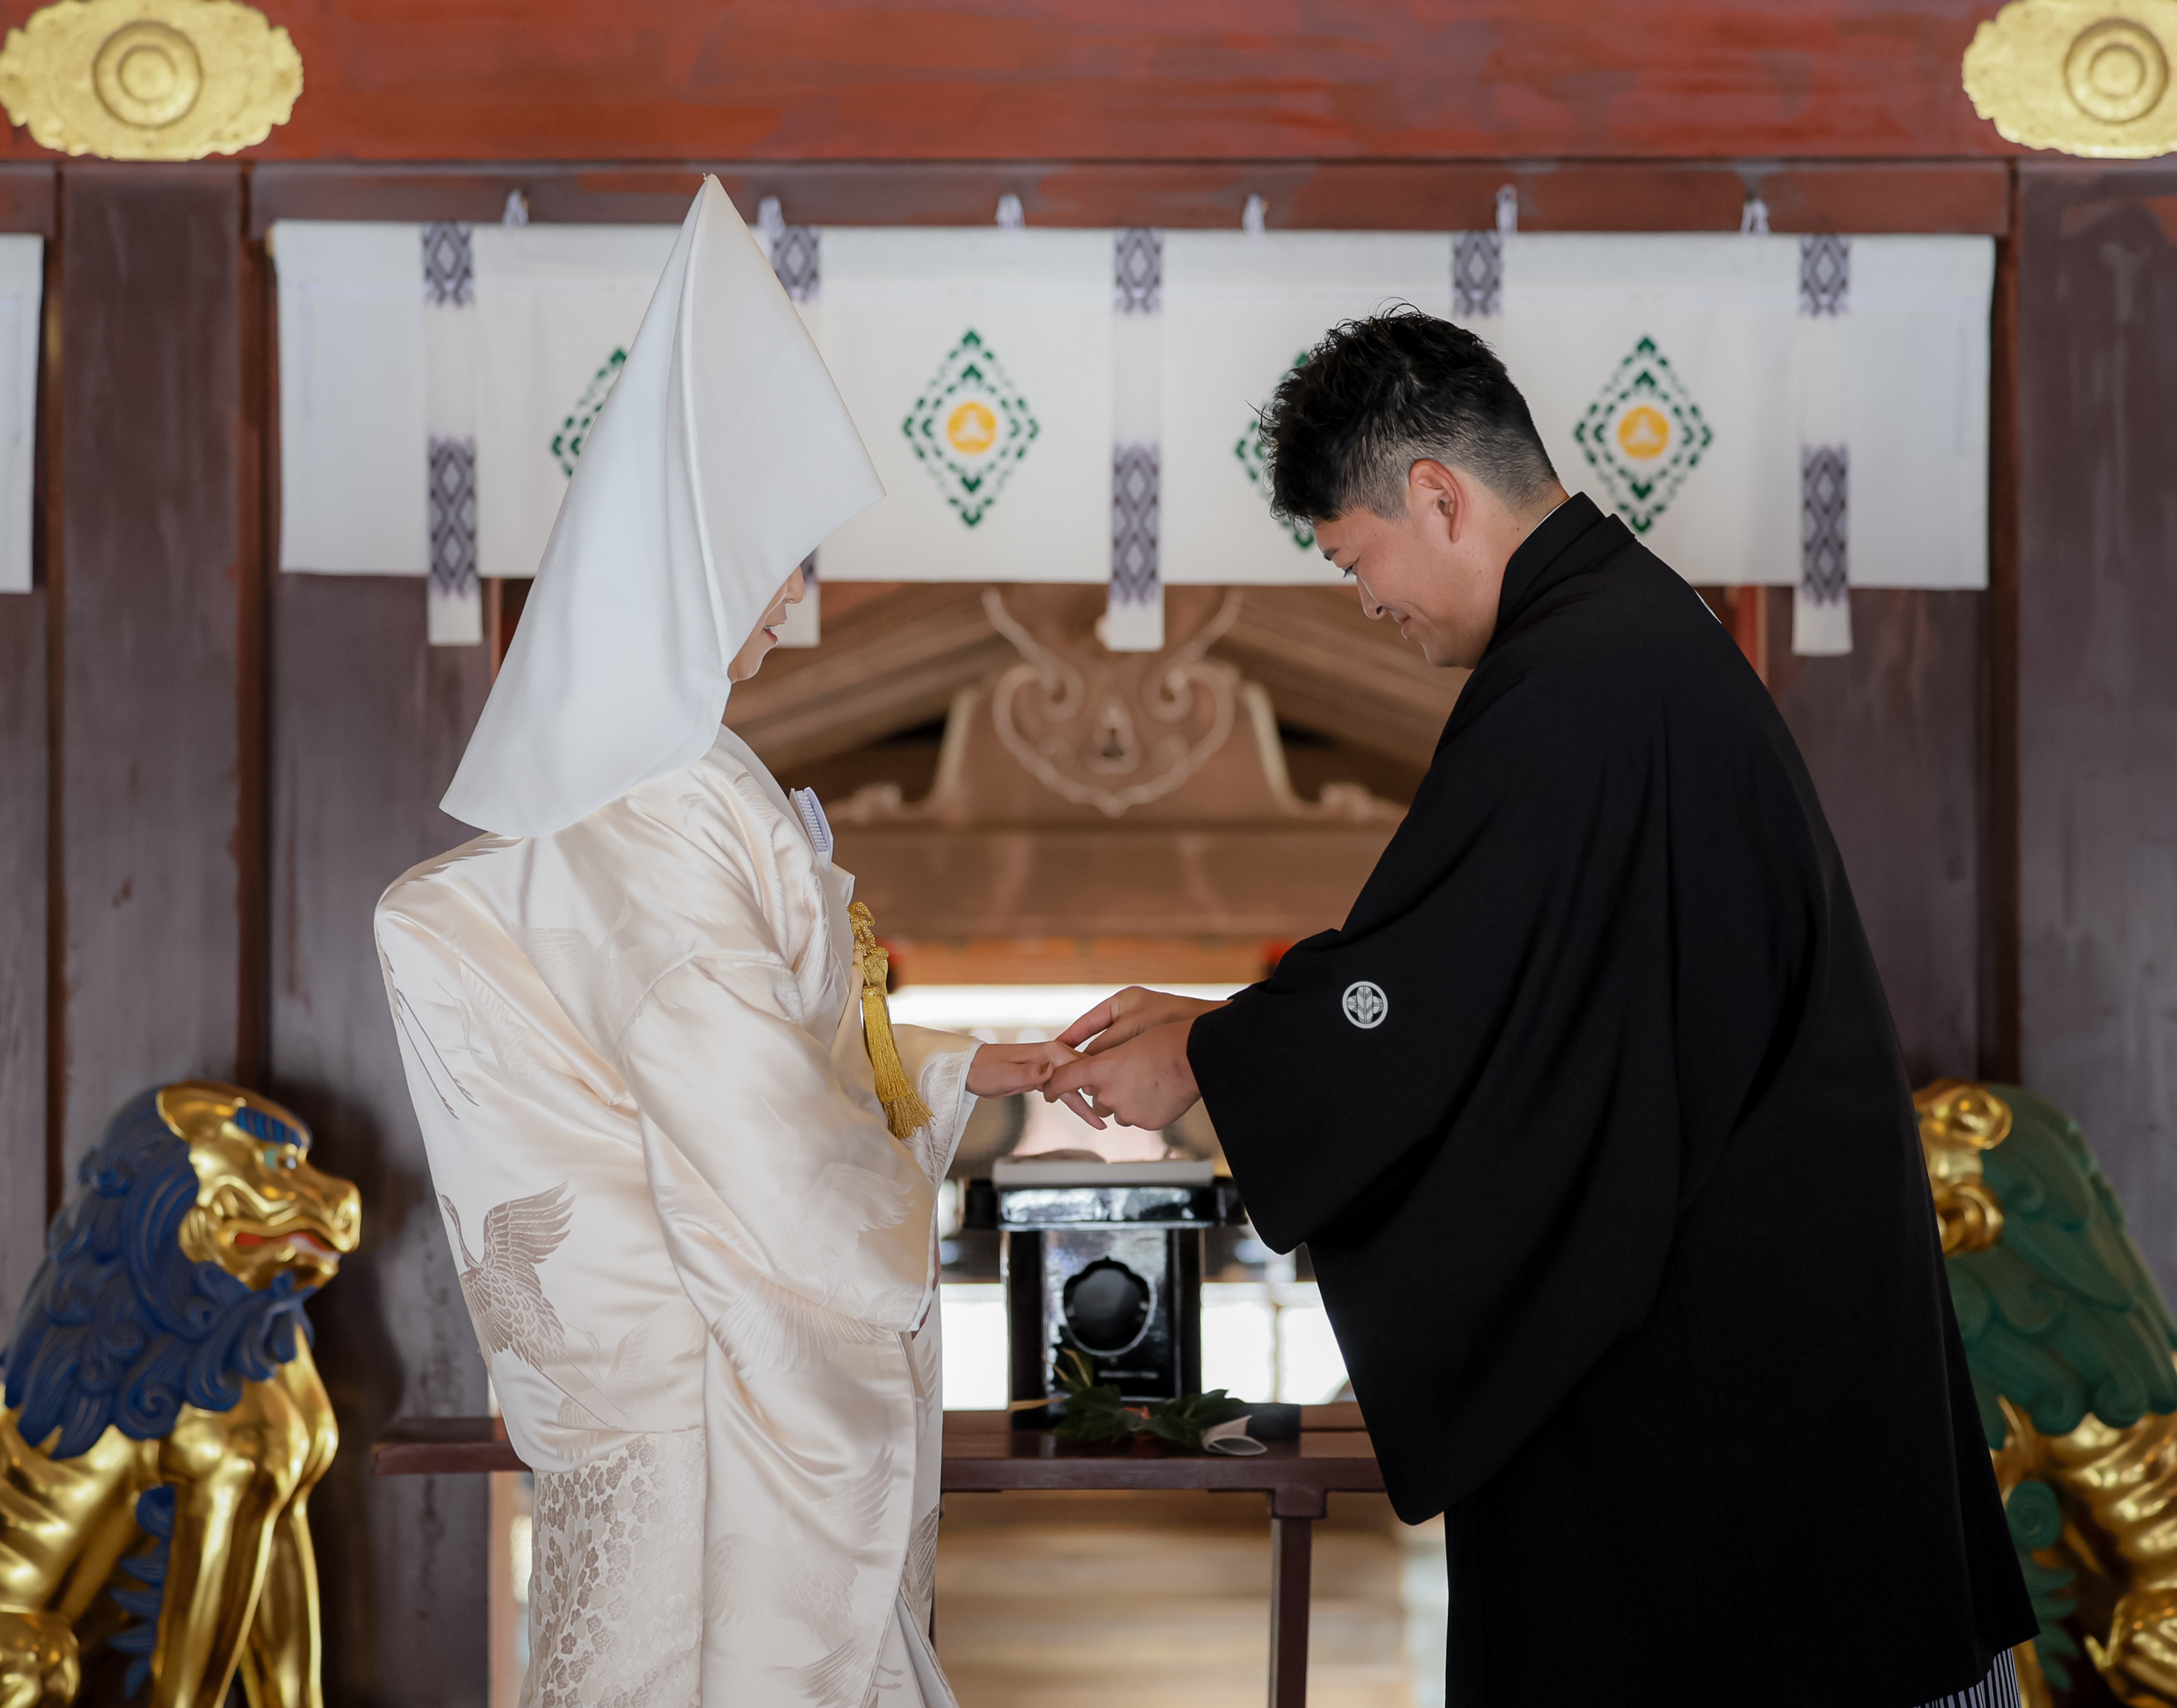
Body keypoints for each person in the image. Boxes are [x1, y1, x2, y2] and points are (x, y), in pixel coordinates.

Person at [1046, 310, 2035, 1706]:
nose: (1364, 602)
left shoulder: (1579, 681)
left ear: (1436, 498)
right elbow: (1501, 996)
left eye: (1353, 557)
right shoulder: (1630, 639)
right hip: (1772, 1381)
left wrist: (1213, 1055)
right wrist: (1227, 1031)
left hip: (1727, 1426)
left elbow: (1435, 994)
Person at [375, 179, 1071, 1708]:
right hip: (709, 1386)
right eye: (772, 563)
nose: (794, 601)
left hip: (666, 1386)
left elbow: (739, 1040)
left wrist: (945, 1067)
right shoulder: (666, 793)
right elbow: (739, 1103)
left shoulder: (646, 781)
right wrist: (892, 1194)